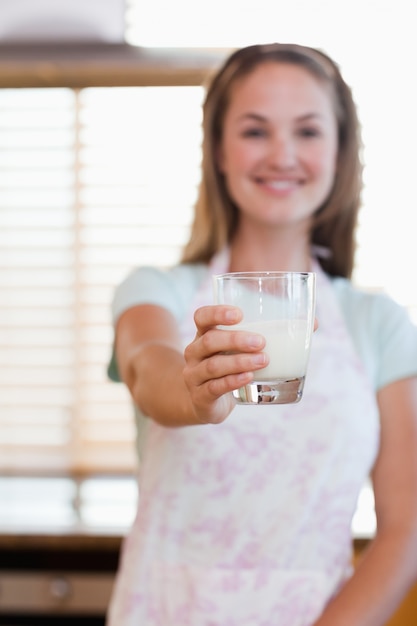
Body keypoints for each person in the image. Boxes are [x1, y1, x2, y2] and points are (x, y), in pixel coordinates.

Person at [106, 43, 417, 626]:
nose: (282, 155)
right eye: (254, 131)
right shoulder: (157, 292)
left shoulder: (380, 323)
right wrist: (196, 390)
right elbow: (150, 369)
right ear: (218, 151)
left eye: (307, 131)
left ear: (340, 152)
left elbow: (407, 529)